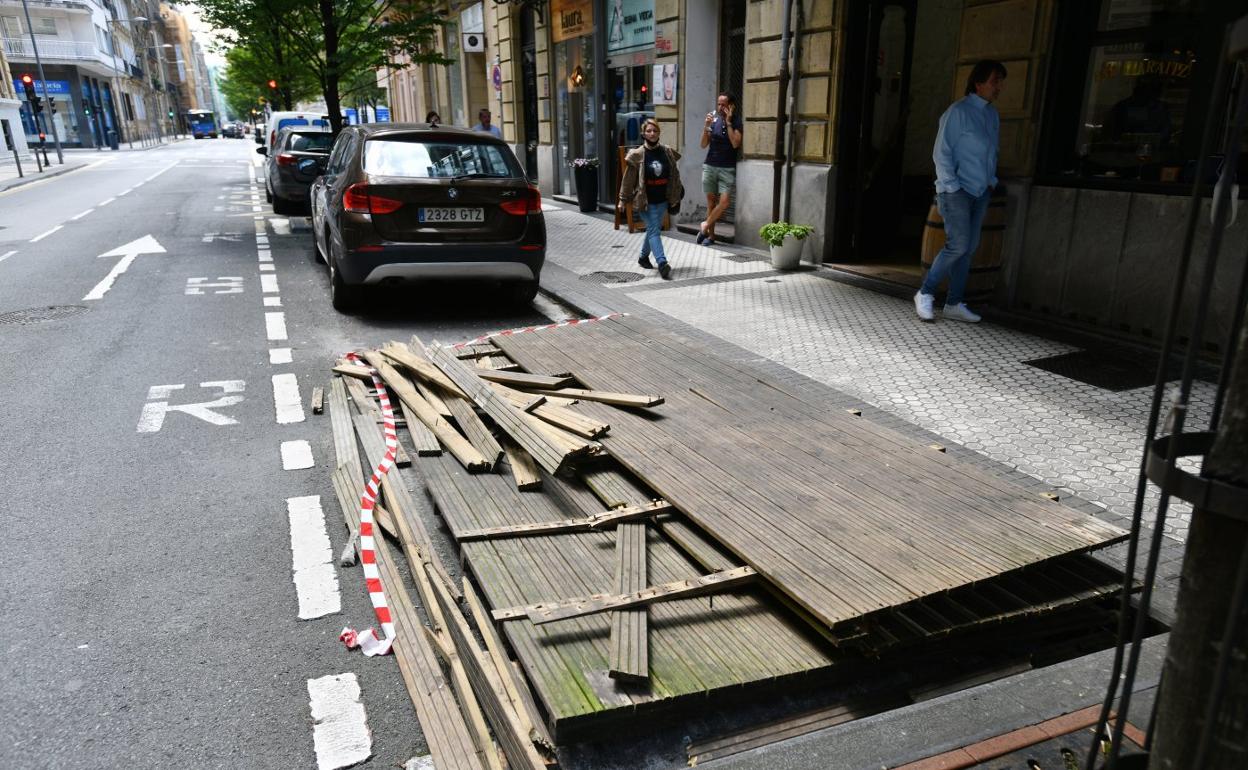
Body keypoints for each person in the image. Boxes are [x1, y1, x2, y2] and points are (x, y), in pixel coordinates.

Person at [914, 60, 1006, 324]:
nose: (998, 87)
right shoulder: (958, 112)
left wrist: (990, 179)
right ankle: (925, 292)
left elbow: (992, 152)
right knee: (958, 245)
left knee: (968, 248)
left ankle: (954, 303)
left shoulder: (992, 114)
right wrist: (952, 186)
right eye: (994, 81)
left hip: (981, 191)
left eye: (1000, 81)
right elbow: (941, 153)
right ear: (978, 84)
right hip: (956, 191)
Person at [618, 119, 683, 280]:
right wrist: (622, 199)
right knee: (654, 230)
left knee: (653, 229)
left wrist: (675, 194)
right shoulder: (637, 155)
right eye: (649, 131)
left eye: (655, 130)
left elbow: (674, 175)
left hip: (662, 199)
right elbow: (628, 180)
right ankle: (662, 263)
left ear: (659, 133)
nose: (652, 133)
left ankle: (642, 257)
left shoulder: (667, 152)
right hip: (645, 201)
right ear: (643, 133)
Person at [697, 92, 742, 246]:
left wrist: (728, 122)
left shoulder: (737, 122)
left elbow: (735, 143)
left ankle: (705, 225)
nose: (720, 107)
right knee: (710, 203)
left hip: (727, 168)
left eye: (724, 104)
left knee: (724, 202)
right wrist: (706, 127)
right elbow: (703, 144)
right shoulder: (713, 120)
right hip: (710, 165)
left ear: (731, 106)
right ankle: (711, 236)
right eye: (719, 104)